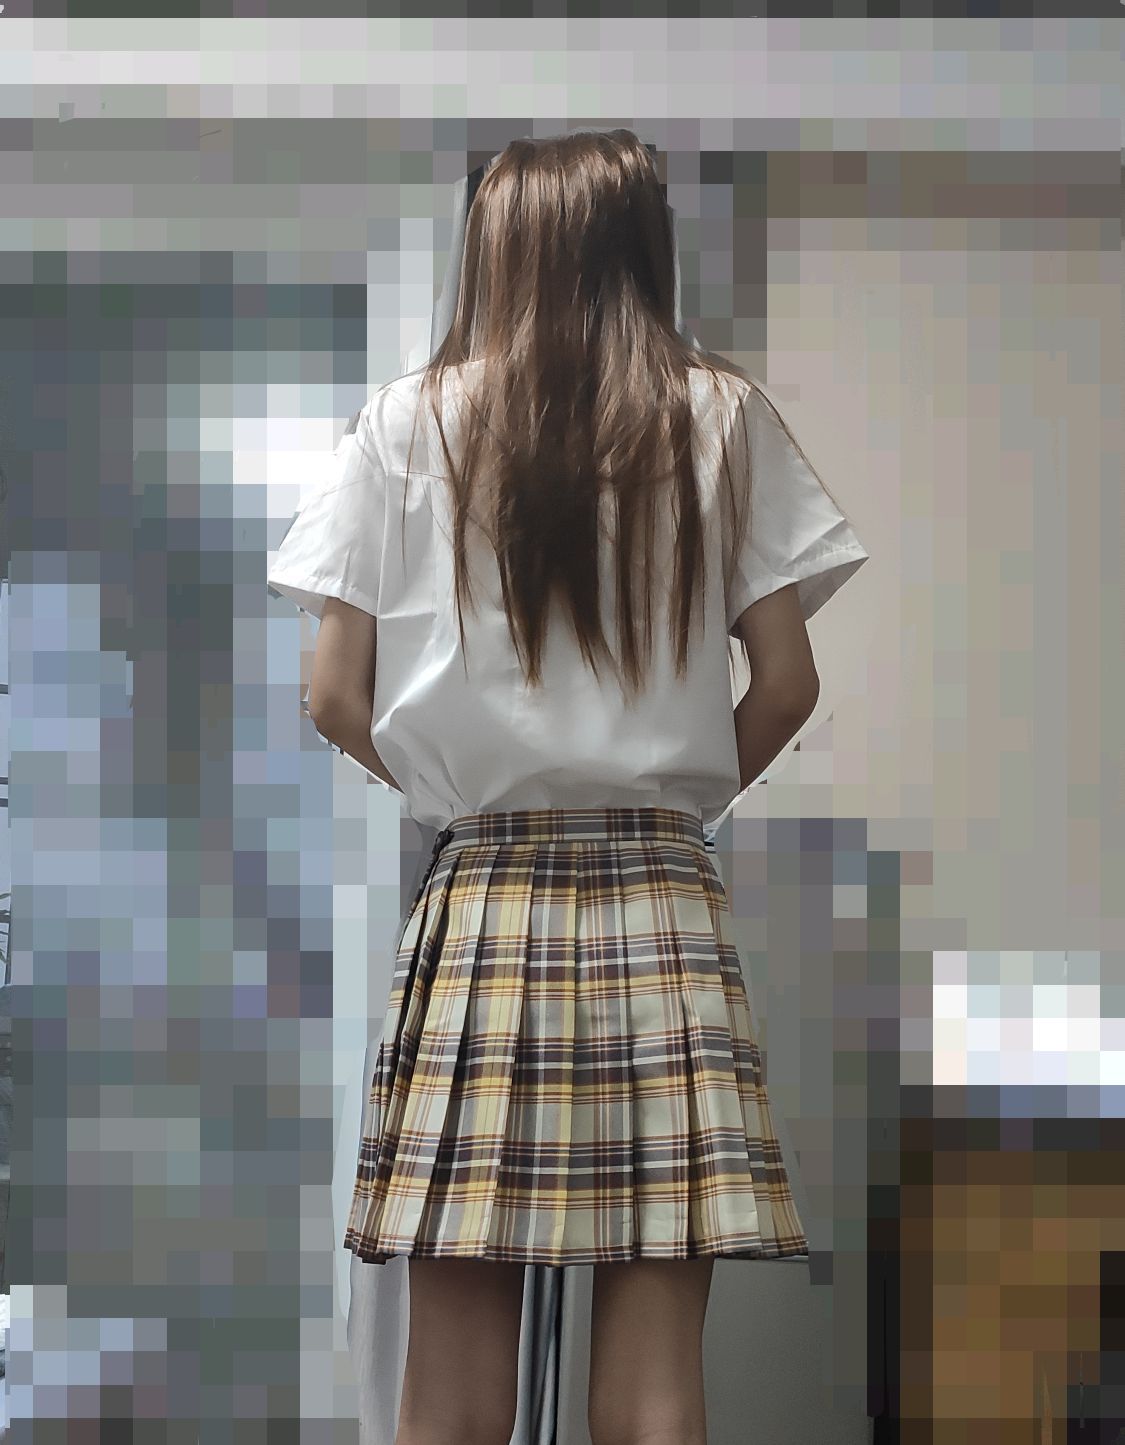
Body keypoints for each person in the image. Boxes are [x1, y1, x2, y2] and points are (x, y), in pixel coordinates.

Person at [267, 128, 869, 1445]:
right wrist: (671, 803)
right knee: (653, 1397)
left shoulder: (405, 421)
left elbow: (329, 691)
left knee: (449, 1398)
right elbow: (784, 681)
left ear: (494, 249)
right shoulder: (721, 416)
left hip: (484, 898)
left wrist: (454, 794)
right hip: (661, 903)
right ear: (643, 247)